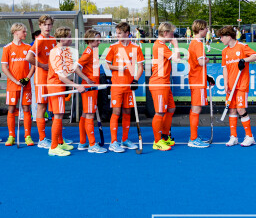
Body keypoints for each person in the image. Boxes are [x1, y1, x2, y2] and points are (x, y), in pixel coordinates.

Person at [105, 21, 145, 153]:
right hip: (117, 85)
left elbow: (140, 67)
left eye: (120, 33)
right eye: (117, 33)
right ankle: (113, 142)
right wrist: (118, 68)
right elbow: (107, 65)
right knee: (116, 112)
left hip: (129, 86)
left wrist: (135, 80)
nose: (117, 36)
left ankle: (125, 139)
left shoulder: (136, 48)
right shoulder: (113, 47)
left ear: (127, 33)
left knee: (127, 112)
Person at [218, 26, 256, 147]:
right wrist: (225, 83)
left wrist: (244, 60)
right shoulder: (224, 51)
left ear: (228, 36)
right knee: (232, 109)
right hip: (231, 86)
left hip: (241, 84)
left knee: (241, 109)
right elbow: (224, 68)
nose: (220, 39)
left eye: (222, 37)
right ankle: (233, 137)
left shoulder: (242, 46)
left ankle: (250, 136)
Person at [45, 27, 84, 156]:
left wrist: (86, 79)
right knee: (58, 115)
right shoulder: (56, 53)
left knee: (59, 115)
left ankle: (60, 142)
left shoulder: (65, 51)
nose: (71, 39)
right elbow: (61, 76)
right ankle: (53, 147)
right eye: (69, 37)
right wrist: (76, 86)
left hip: (59, 85)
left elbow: (73, 67)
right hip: (55, 86)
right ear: (62, 39)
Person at [1, 23, 36, 147]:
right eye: (23, 32)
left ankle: (27, 136)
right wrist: (15, 81)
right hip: (12, 85)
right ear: (16, 32)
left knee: (26, 109)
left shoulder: (28, 47)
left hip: (25, 85)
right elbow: (4, 67)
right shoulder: (7, 48)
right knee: (11, 109)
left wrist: (27, 78)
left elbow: (34, 65)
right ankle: (11, 136)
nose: (26, 34)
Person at [27, 15, 57, 148]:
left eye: (49, 24)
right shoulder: (39, 40)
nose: (47, 27)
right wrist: (42, 65)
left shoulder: (53, 39)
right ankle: (42, 139)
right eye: (45, 24)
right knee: (42, 106)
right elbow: (28, 57)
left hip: (53, 79)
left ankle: (57, 138)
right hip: (41, 79)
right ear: (40, 26)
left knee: (54, 108)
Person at [75, 29, 107, 153]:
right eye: (97, 40)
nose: (99, 42)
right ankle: (92, 145)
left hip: (93, 88)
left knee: (85, 114)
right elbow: (76, 68)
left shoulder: (93, 51)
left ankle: (83, 142)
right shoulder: (88, 53)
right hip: (89, 88)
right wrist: (87, 79)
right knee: (89, 115)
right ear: (90, 40)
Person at [149, 22, 179, 151]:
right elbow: (177, 59)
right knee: (160, 112)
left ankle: (165, 137)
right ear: (165, 33)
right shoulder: (160, 46)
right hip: (159, 83)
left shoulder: (161, 45)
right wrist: (176, 45)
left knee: (171, 109)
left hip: (164, 82)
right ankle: (157, 141)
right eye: (172, 33)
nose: (173, 36)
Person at [186, 19, 212, 148]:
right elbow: (201, 62)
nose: (207, 30)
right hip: (197, 80)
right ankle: (193, 138)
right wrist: (207, 59)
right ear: (201, 29)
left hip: (196, 78)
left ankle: (194, 136)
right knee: (196, 108)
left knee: (195, 108)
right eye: (206, 28)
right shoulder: (198, 44)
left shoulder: (193, 43)